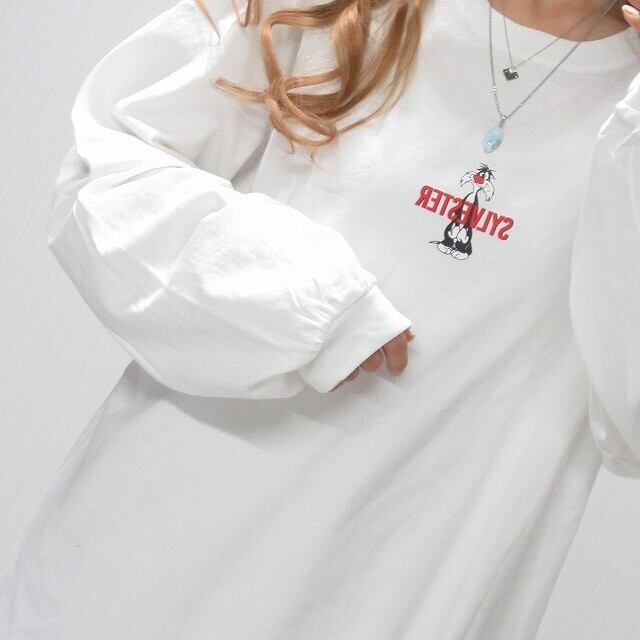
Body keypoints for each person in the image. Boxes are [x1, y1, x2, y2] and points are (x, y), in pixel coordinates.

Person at [1, 0, 639, 637]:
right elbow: (104, 173)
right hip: (147, 565)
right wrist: (309, 302)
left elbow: (629, 424)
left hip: (401, 598)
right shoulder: (345, 11)